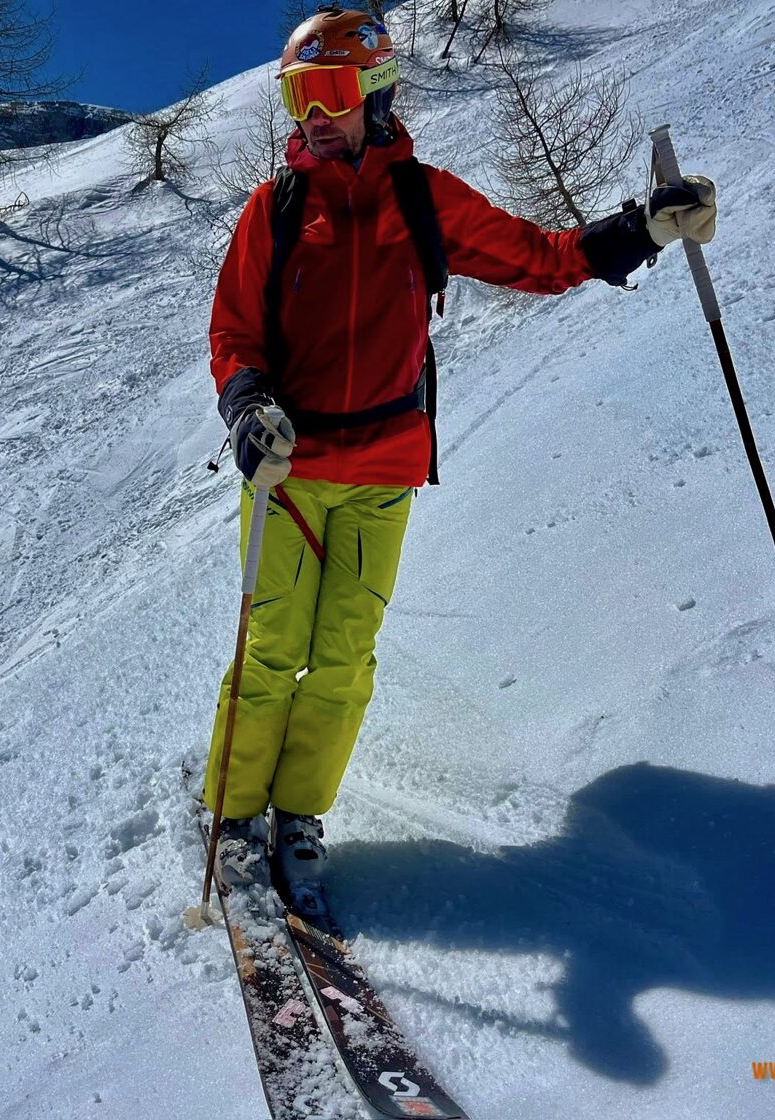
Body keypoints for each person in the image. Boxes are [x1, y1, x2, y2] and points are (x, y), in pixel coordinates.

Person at [203, 7, 717, 907]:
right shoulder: (274, 209)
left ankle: (299, 815)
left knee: (345, 655)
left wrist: (646, 228)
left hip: (382, 470)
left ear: (374, 92)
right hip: (289, 468)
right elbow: (235, 330)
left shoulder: (422, 200)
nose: (313, 116)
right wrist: (247, 405)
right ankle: (237, 817)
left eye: (329, 91)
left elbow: (542, 259)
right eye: (297, 96)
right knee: (271, 647)